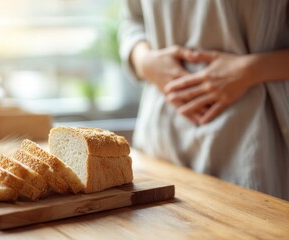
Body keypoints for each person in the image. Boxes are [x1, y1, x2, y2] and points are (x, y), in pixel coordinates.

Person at [119, 0, 289, 200]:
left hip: (253, 141)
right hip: (161, 138)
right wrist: (145, 62)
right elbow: (132, 20)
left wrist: (251, 70)